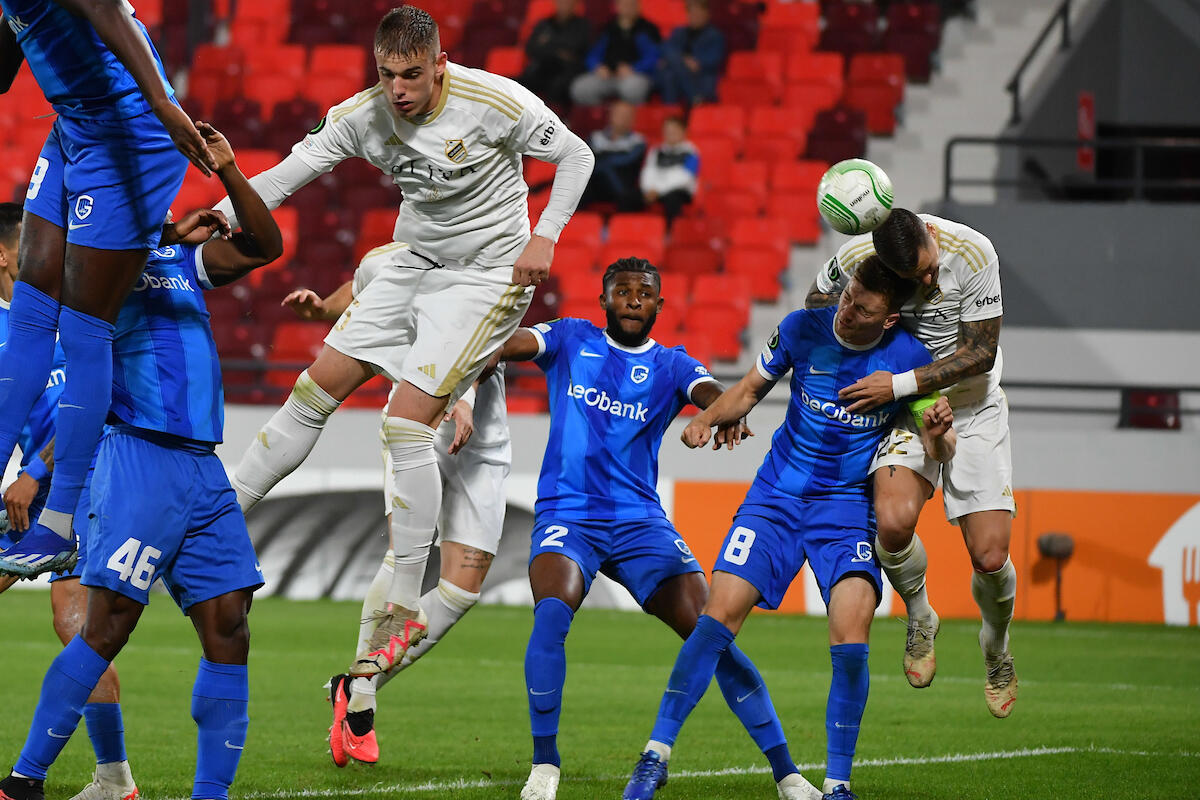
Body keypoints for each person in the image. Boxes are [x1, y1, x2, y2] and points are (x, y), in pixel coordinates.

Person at [0, 123, 281, 800]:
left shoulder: (183, 260)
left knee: (230, 624)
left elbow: (264, 247)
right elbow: (103, 268)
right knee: (106, 625)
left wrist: (230, 172)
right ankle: (25, 782)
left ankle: (207, 794)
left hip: (202, 465)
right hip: (137, 454)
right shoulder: (88, 268)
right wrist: (163, 232)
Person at [625, 256, 955, 800]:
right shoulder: (803, 327)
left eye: (863, 310)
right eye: (847, 298)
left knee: (851, 630)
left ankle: (838, 783)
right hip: (774, 499)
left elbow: (938, 447)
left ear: (890, 318)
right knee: (716, 617)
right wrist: (705, 418)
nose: (846, 312)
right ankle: (655, 755)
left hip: (845, 509)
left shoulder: (908, 360)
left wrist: (939, 434)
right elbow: (750, 389)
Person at [494, 257, 823, 800]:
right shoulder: (571, 338)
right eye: (621, 291)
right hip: (568, 515)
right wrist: (478, 354)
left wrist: (722, 413)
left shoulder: (671, 364)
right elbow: (511, 343)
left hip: (639, 523)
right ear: (603, 300)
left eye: (643, 293)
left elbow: (710, 391)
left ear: (659, 305)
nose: (632, 299)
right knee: (551, 615)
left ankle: (787, 774)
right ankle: (545, 766)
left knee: (712, 635)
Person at [0, 0, 218, 578]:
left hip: (131, 129)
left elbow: (103, 8)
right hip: (74, 124)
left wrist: (165, 106)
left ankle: (58, 525)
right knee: (29, 309)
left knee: (83, 327)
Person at [278, 248, 511, 767]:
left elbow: (487, 341)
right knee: (405, 555)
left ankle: (354, 684)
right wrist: (322, 309)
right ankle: (362, 697)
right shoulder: (390, 256)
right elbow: (361, 290)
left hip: (484, 439)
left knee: (462, 589)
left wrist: (466, 399)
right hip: (416, 424)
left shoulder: (494, 252)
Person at [805, 208, 1018, 717]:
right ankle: (920, 616)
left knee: (990, 557)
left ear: (930, 236)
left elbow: (982, 352)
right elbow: (816, 303)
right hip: (904, 410)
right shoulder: (857, 255)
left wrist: (896, 381)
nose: (926, 281)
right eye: (914, 277)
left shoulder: (974, 252)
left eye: (928, 268)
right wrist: (867, 345)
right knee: (892, 523)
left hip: (971, 409)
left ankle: (996, 647)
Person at [0, 202, 139, 800]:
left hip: (89, 479)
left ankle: (109, 777)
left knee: (77, 623)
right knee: (79, 627)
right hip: (33, 496)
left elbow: (97, 401)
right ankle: (114, 778)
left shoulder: (75, 310)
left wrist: (34, 471)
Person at [569, 0, 661, 106]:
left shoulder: (647, 29)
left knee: (633, 89)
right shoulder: (608, 28)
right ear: (617, 7)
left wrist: (634, 68)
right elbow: (593, 54)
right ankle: (600, 114)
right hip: (608, 75)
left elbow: (654, 57)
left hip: (635, 75)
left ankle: (625, 114)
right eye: (624, 4)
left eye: (631, 4)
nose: (627, 8)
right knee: (580, 88)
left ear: (638, 7)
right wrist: (597, 67)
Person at [518, 0, 591, 108]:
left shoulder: (582, 25)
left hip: (567, 70)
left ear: (575, 5)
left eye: (568, 2)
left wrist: (548, 45)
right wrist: (557, 50)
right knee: (520, 82)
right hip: (543, 65)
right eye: (561, 2)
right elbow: (530, 49)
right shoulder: (544, 24)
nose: (564, 5)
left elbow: (577, 50)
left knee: (558, 85)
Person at [655, 0, 725, 106]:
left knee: (670, 71)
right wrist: (684, 60)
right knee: (669, 67)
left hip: (699, 76)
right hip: (679, 76)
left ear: (706, 14)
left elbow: (714, 59)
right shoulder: (679, 32)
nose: (694, 16)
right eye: (692, 12)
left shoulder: (715, 36)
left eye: (698, 13)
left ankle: (672, 109)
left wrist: (698, 63)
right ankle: (693, 95)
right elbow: (666, 49)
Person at [582, 99, 646, 212]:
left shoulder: (638, 141)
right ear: (610, 116)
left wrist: (601, 159)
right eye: (619, 114)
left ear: (633, 119)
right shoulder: (595, 137)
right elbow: (584, 160)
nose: (623, 119)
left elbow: (625, 161)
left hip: (622, 186)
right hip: (595, 184)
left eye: (627, 115)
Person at [639, 116, 698, 228]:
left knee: (673, 199)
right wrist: (649, 189)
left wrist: (658, 190)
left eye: (674, 130)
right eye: (667, 130)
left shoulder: (691, 153)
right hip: (653, 190)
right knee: (628, 197)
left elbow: (684, 177)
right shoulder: (656, 151)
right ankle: (631, 231)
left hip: (678, 191)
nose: (670, 133)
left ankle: (672, 232)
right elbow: (648, 171)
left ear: (684, 132)